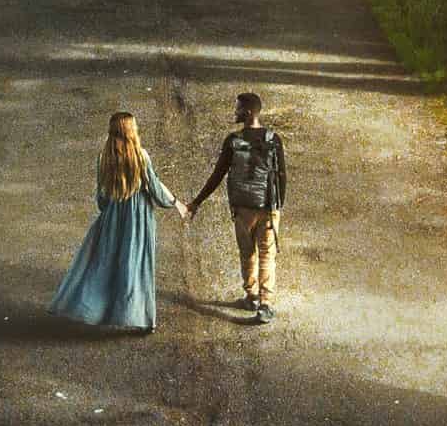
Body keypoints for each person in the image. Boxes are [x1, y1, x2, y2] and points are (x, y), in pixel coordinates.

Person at [51, 111, 182, 334]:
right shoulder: (141, 156)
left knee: (104, 264)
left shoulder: (104, 157)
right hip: (138, 218)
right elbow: (156, 190)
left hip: (112, 216)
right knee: (138, 266)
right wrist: (176, 203)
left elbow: (101, 196)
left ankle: (97, 310)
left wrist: (109, 209)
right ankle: (144, 319)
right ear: (132, 131)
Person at [187, 90, 287, 322]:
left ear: (249, 111)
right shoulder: (273, 140)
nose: (235, 111)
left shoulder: (233, 141)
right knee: (267, 255)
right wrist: (277, 205)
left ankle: (251, 295)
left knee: (247, 253)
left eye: (238, 108)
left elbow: (217, 175)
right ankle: (265, 304)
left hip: (242, 208)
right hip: (268, 208)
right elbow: (282, 175)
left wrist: (196, 202)